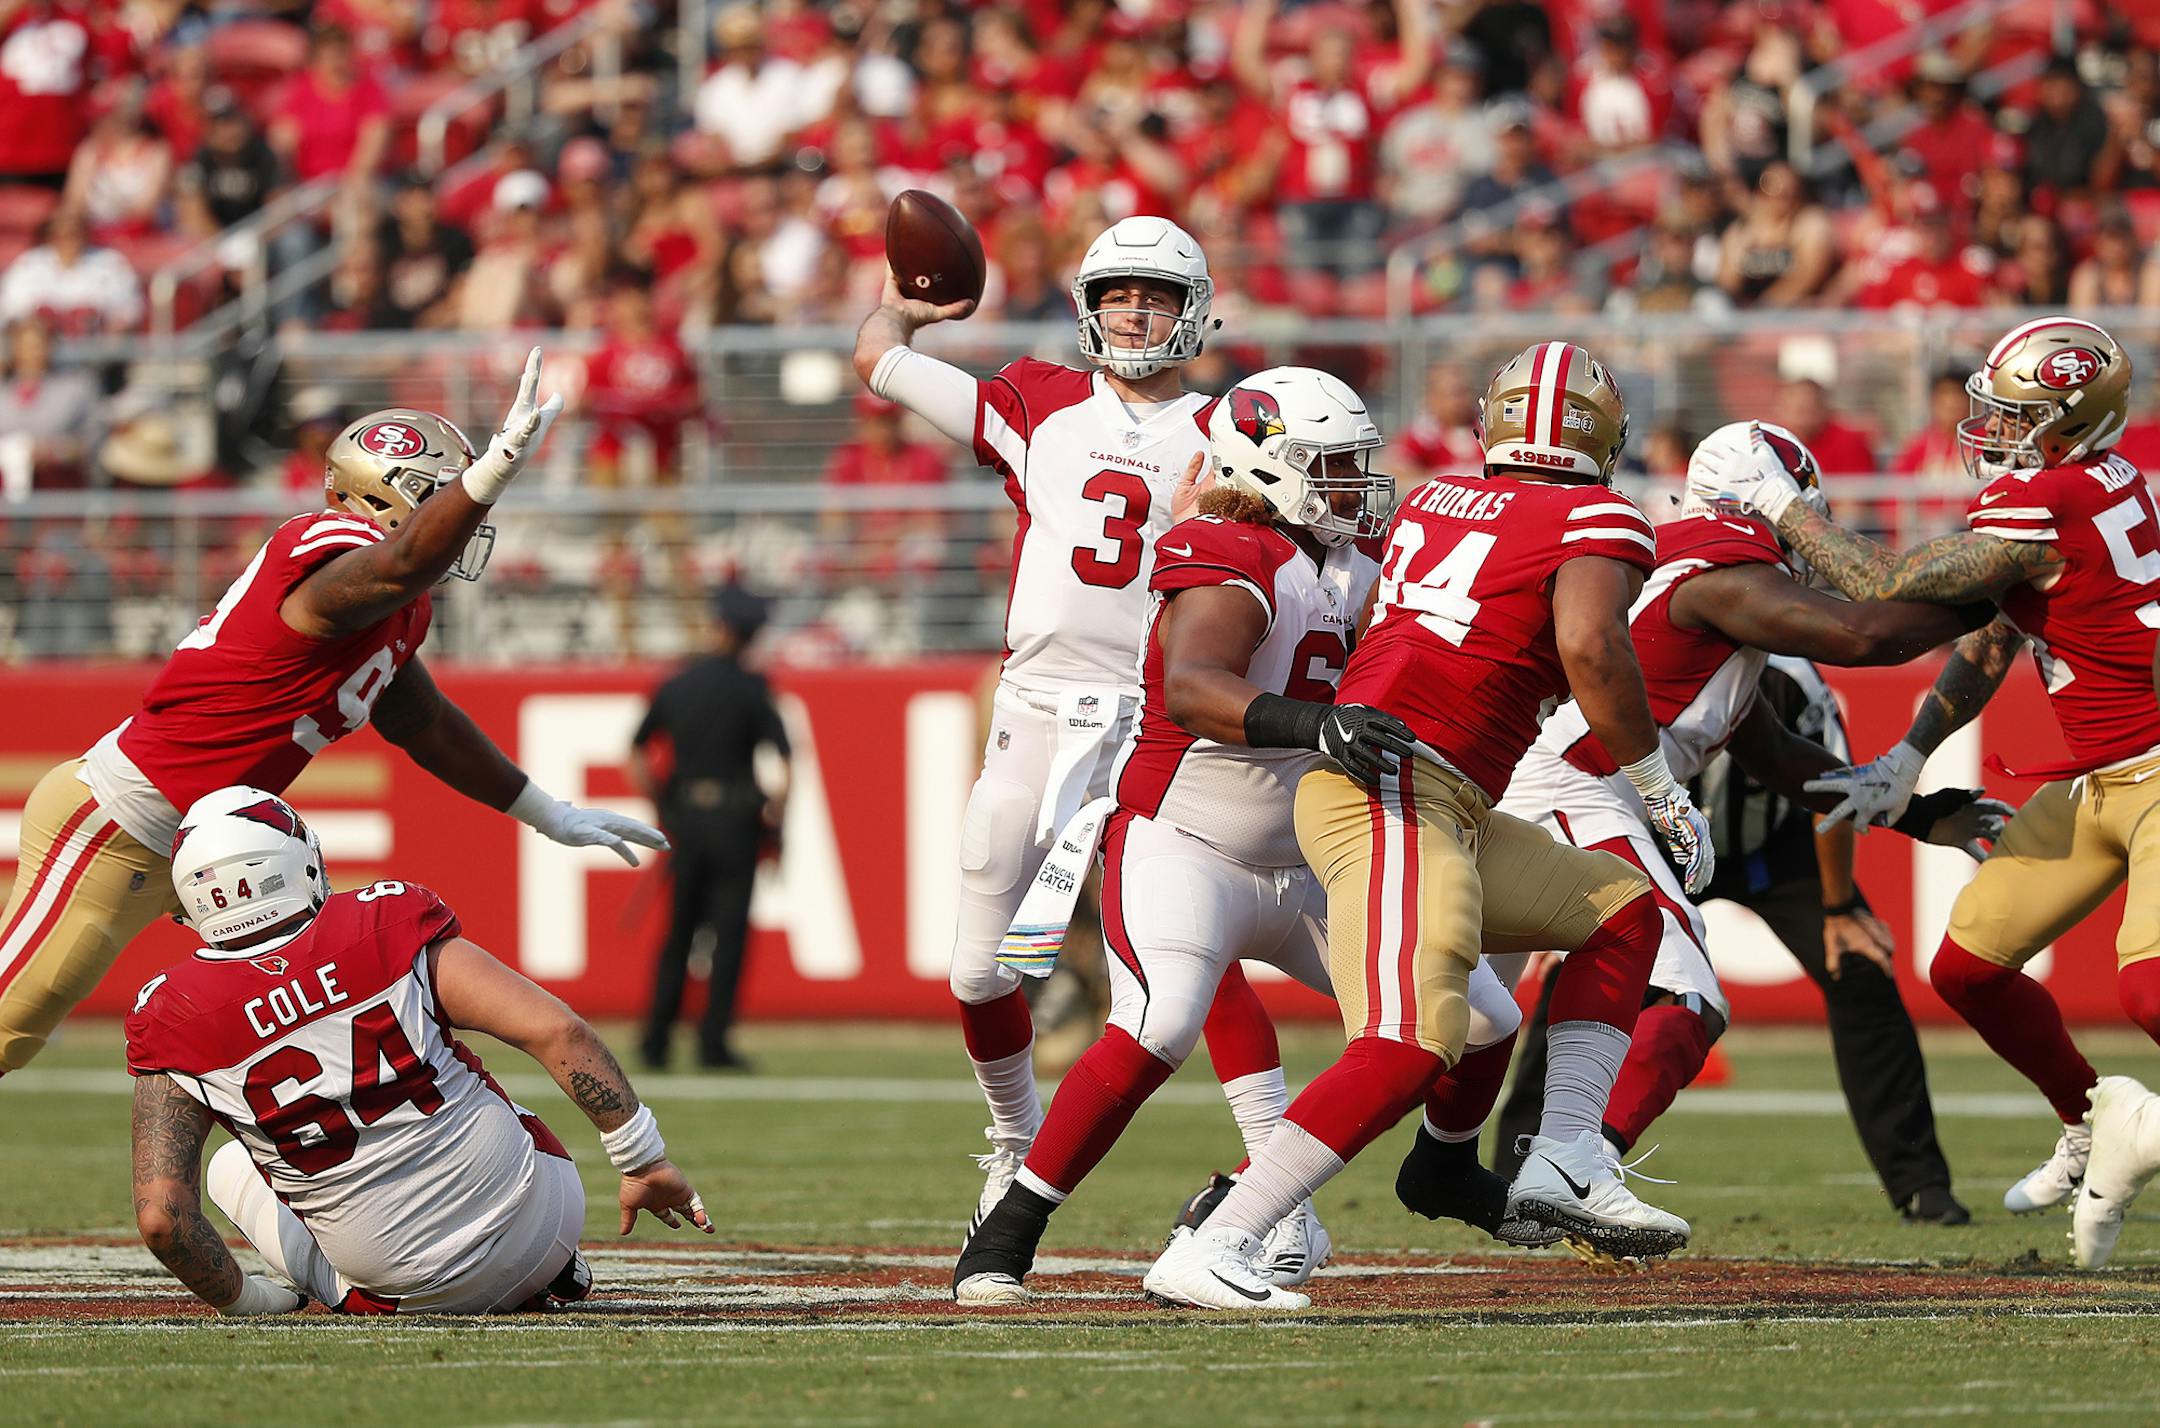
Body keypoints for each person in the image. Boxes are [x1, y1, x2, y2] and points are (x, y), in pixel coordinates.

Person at [1142, 342, 1706, 1309]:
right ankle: (1223, 1235)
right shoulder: (1600, 514)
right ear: (1603, 434)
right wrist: (1658, 785)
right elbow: (1588, 645)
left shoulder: (1433, 501)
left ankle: (1565, 1155)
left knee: (1621, 911)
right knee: (1413, 1038)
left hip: (1431, 792)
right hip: (1394, 790)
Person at [952, 368, 1522, 1303]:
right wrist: (1317, 726)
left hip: (1311, 856)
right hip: (1187, 842)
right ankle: (1009, 1232)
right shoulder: (1227, 546)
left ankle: (1419, 1174)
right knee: (1162, 1021)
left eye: (1355, 465)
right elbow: (1195, 686)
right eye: (1330, 467)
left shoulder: (1351, 558)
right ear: (1267, 467)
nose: (1353, 485)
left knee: (1482, 1018)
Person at [0, 352, 666, 1078]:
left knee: (294, 1036)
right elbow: (399, 561)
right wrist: (495, 465)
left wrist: (546, 811)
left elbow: (426, 725)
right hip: (118, 826)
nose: (466, 520)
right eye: (443, 498)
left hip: (213, 846)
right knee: (11, 1025)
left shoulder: (396, 606)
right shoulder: (325, 552)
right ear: (386, 498)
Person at [1412, 427, 1996, 1235]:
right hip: (1577, 780)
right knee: (1684, 995)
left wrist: (1916, 814)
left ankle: (1273, 1186)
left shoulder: (1692, 573)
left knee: (1465, 1011)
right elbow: (1867, 635)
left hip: (1554, 782)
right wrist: (2006, 590)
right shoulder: (1719, 567)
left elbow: (1779, 754)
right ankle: (1576, 1168)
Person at [851, 215, 1298, 1252]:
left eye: (1155, 296)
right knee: (977, 970)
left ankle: (1282, 1183)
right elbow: (878, 358)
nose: (1134, 314)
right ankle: (1015, 1137)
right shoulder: (1034, 400)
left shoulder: (1237, 426)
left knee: (1200, 942)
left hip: (1169, 718)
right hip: (1042, 711)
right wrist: (904, 304)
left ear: (1195, 312)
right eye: (1116, 296)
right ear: (1087, 308)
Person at [1688, 316, 2160, 1269]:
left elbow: (1882, 581)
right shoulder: (2089, 486)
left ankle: (2130, 1130)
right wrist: (1911, 751)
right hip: (2100, 779)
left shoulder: (2050, 497)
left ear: (2072, 420)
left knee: (2148, 988)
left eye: (2016, 412)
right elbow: (1993, 636)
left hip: (2156, 773)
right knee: (1968, 968)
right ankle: (2089, 1123)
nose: (1988, 426)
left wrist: (1784, 509)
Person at [125, 787, 711, 1317]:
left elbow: (161, 1218)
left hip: (406, 1290)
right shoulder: (384, 921)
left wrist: (246, 1299)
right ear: (296, 863)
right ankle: (555, 1271)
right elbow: (560, 1033)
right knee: (476, 1082)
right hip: (547, 1223)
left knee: (231, 1165)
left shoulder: (171, 1013)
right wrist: (643, 1160)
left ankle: (307, 1296)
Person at [628, 585, 789, 1072]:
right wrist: (777, 826)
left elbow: (636, 753)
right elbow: (782, 766)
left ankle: (656, 1039)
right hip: (738, 823)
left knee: (679, 931)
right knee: (729, 936)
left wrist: (665, 806)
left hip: (688, 821)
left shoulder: (677, 684)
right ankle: (712, 1043)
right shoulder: (753, 688)